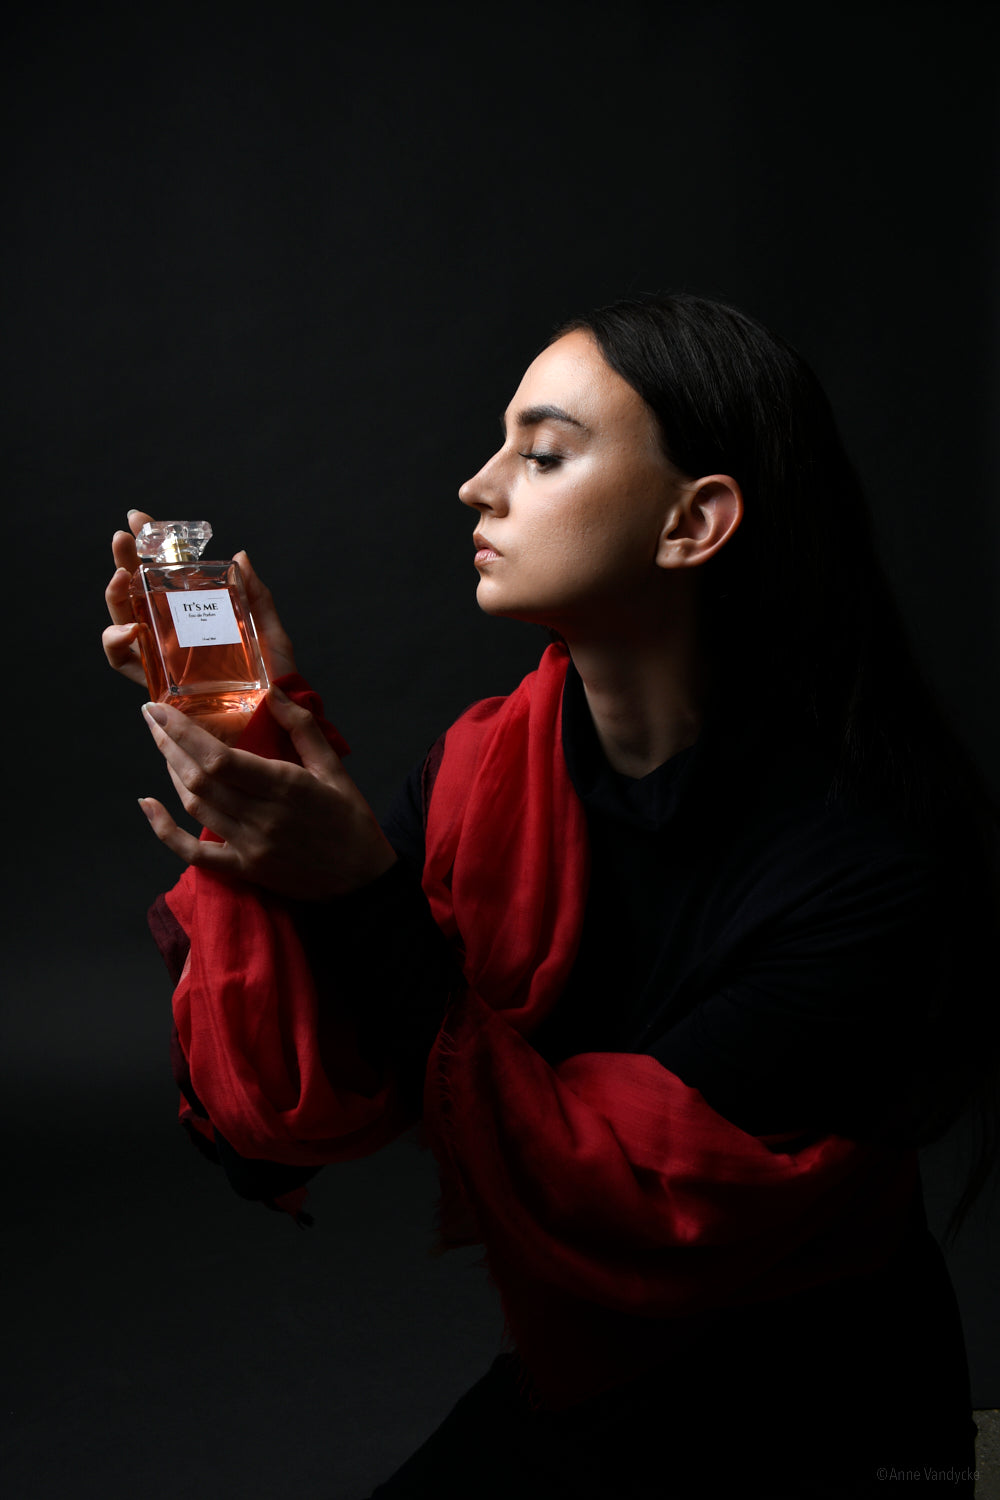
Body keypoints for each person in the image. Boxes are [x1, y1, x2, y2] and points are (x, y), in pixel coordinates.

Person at [104, 294, 997, 1498]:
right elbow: (298, 1116)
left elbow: (613, 1193)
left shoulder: (866, 866)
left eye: (540, 453)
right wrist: (249, 729)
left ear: (694, 522)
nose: (476, 486)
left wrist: (364, 890)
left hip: (821, 1402)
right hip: (604, 1373)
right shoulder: (492, 766)